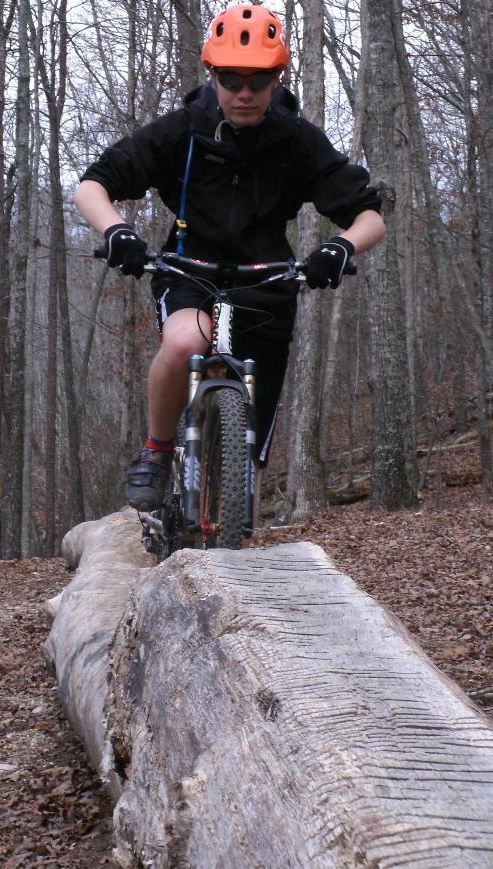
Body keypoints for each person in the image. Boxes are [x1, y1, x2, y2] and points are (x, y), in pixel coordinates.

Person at [74, 3, 385, 511]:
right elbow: (92, 186)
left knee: (251, 452)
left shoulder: (296, 140)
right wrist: (117, 232)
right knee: (184, 343)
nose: (244, 92)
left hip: (267, 279)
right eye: (231, 78)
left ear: (276, 77)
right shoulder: (182, 130)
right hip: (189, 267)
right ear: (212, 73)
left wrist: (339, 246)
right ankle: (156, 450)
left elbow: (369, 214)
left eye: (258, 80)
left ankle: (227, 529)